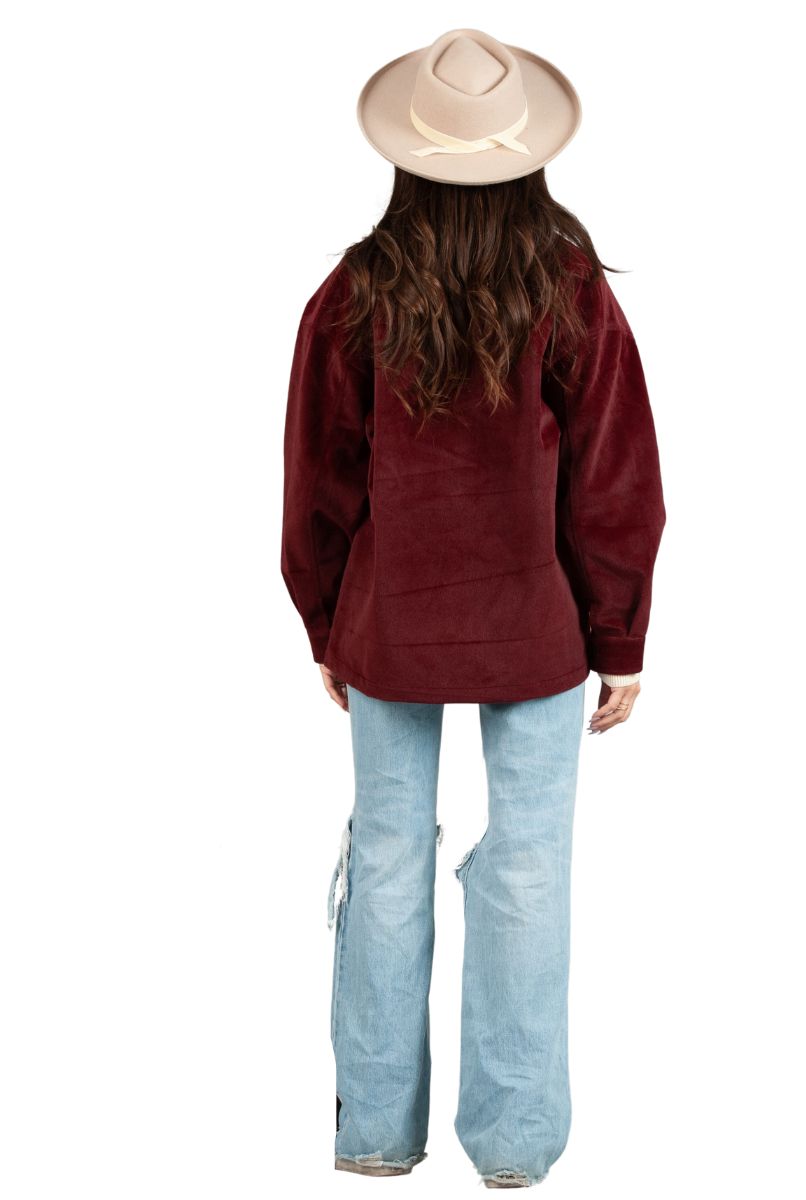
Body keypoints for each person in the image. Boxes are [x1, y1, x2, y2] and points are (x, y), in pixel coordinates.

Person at [281, 28, 667, 1188]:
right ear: (526, 154)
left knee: (388, 859)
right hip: (538, 630)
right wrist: (620, 637)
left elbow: (317, 479)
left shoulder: (354, 292)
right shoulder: (567, 285)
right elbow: (615, 477)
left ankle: (373, 1135)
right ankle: (512, 1145)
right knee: (530, 869)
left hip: (390, 624)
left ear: (407, 156)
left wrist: (325, 622)